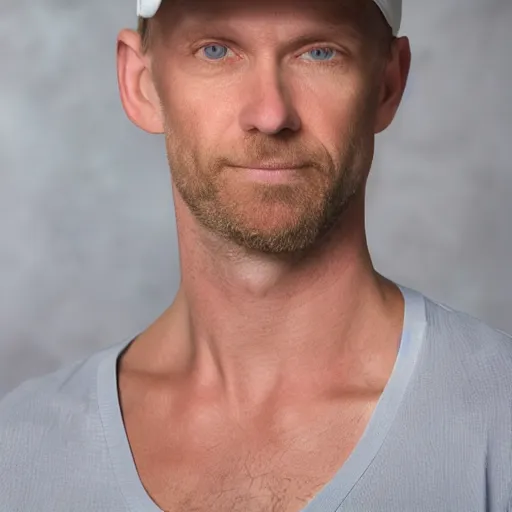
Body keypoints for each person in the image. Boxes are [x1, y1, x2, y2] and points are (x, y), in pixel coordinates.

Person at [1, 0, 511, 510]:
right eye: (216, 50)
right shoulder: (20, 452)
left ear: (387, 84)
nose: (270, 115)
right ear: (141, 82)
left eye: (319, 52)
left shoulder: (498, 418)